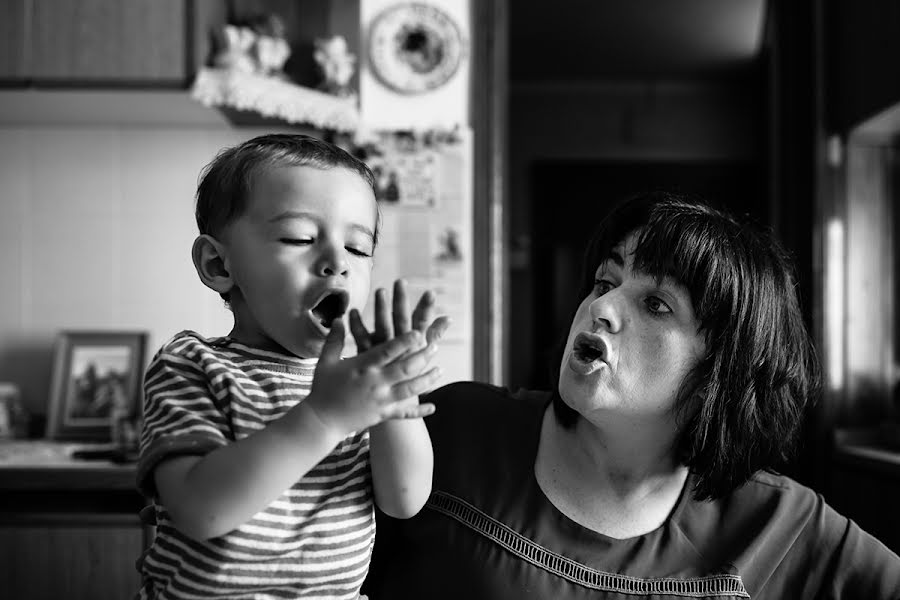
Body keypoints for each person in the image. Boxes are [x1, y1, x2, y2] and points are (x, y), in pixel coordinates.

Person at [363, 191, 900, 599]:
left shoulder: (782, 522)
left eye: (657, 305)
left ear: (725, 366)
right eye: (605, 281)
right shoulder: (454, 426)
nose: (603, 307)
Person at [135, 133, 448, 600]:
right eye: (298, 237)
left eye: (358, 249)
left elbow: (404, 501)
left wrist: (395, 402)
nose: (337, 263)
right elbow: (200, 511)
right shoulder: (191, 364)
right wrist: (325, 417)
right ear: (218, 265)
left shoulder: (358, 383)